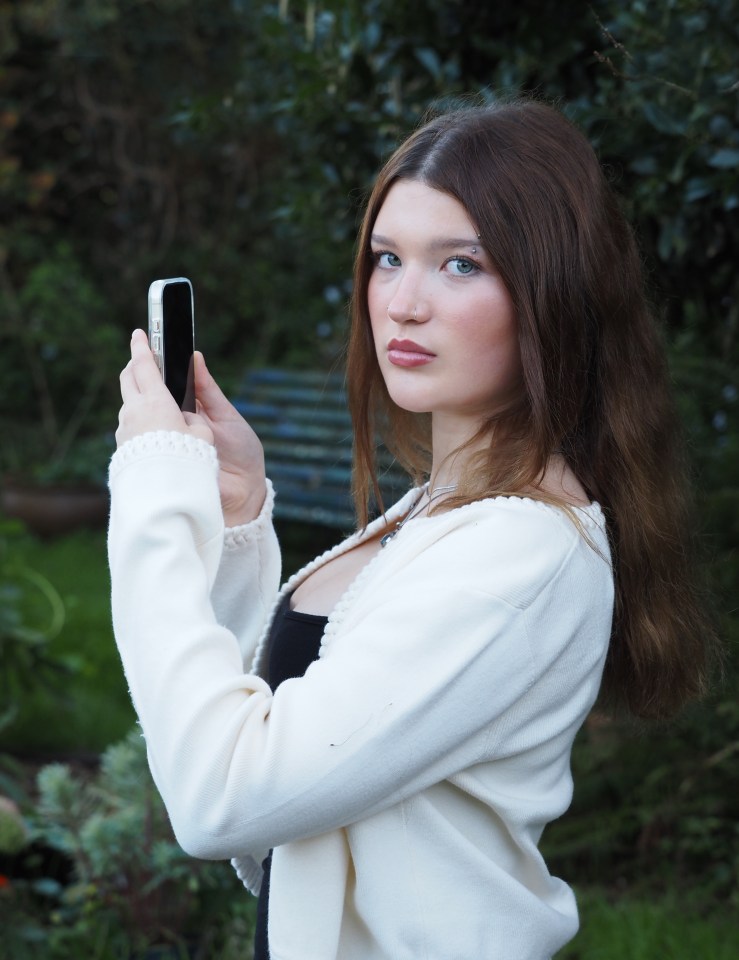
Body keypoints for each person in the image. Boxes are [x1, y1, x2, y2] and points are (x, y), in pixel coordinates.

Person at [109, 98, 714, 960]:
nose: (402, 303)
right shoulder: (443, 509)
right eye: (387, 258)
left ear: (554, 292)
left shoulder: (519, 553)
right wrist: (235, 521)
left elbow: (224, 799)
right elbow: (281, 756)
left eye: (460, 265)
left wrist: (152, 499)